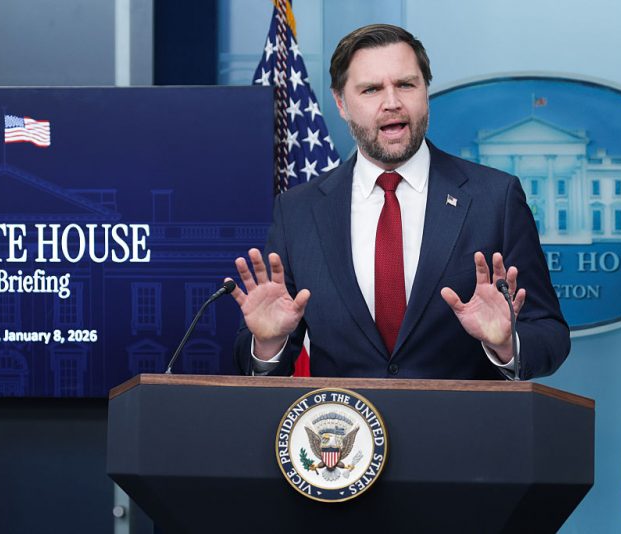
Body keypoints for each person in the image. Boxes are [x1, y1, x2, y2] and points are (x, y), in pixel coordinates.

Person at [228, 24, 569, 379]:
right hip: (342, 431)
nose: (392, 103)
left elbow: (550, 334)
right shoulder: (298, 210)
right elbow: (254, 357)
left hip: (462, 430)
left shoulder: (495, 198)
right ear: (342, 103)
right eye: (371, 89)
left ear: (425, 91)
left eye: (406, 84)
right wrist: (269, 344)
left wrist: (505, 343)